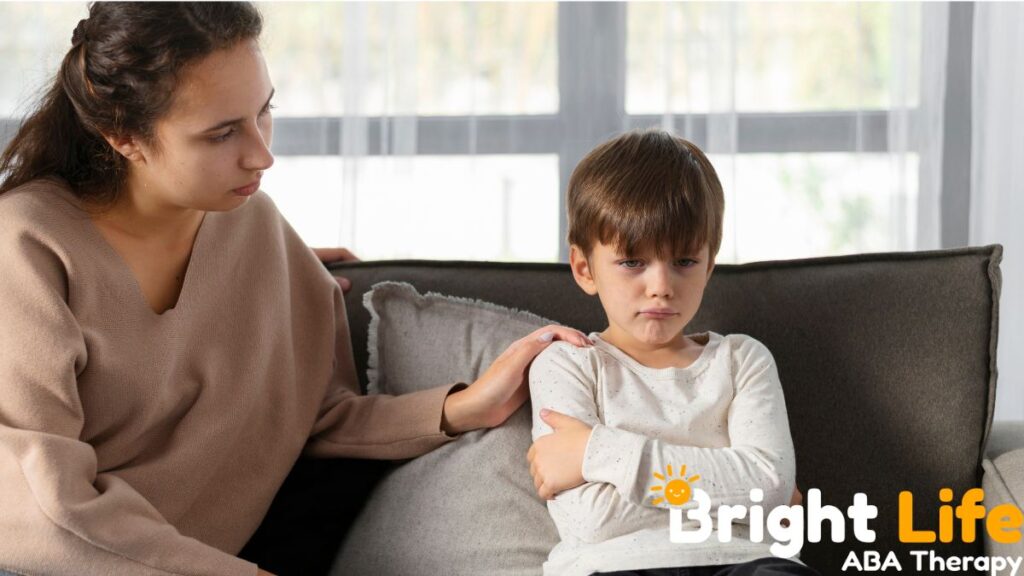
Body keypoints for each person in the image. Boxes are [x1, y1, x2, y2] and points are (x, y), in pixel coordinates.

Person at [0, 4, 590, 576]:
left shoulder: (254, 226)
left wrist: (463, 407)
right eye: (222, 133)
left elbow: (311, 420)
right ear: (121, 135)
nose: (262, 153)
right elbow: (36, 507)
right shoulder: (27, 247)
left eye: (264, 111)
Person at [526, 130, 817, 576]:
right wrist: (734, 496)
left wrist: (598, 452)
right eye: (632, 262)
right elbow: (590, 520)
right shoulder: (568, 364)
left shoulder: (743, 360)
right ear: (585, 268)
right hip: (614, 568)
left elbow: (770, 488)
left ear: (709, 264)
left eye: (684, 261)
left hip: (748, 564)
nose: (661, 286)